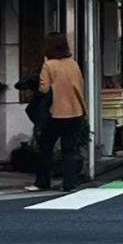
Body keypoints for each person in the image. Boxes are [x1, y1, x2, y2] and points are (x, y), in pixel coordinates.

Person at [31, 35, 88, 192]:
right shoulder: (73, 64)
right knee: (68, 149)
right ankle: (69, 183)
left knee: (45, 146)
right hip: (75, 110)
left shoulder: (49, 65)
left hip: (56, 112)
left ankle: (42, 182)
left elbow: (44, 88)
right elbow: (80, 84)